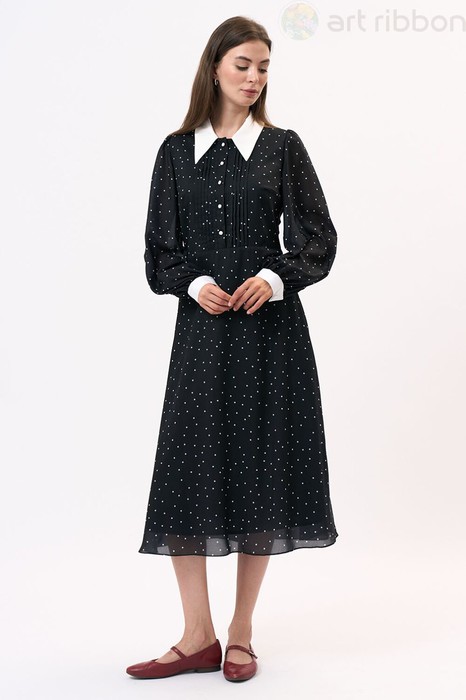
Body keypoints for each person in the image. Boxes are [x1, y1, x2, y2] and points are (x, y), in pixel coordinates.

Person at [126, 15, 339, 683]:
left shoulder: (282, 147)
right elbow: (159, 252)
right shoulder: (175, 151)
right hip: (202, 334)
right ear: (214, 66)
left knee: (260, 469)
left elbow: (318, 239)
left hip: (270, 334)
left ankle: (241, 633)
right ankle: (197, 635)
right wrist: (194, 284)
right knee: (186, 467)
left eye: (264, 67)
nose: (254, 78)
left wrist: (273, 279)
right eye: (244, 64)